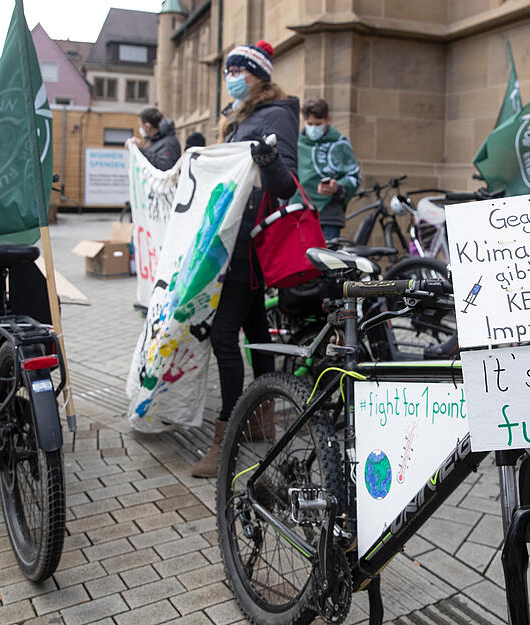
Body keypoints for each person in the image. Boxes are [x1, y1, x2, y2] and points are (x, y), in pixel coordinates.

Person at [191, 39, 299, 478]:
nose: (231, 76)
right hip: (232, 239)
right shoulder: (241, 116)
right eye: (228, 70)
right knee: (255, 329)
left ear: (260, 75)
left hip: (246, 246)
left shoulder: (275, 115)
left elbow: (286, 184)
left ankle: (226, 440)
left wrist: (268, 158)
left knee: (223, 337)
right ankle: (261, 421)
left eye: (240, 69)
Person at [295, 97, 361, 241]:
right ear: (304, 121)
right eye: (310, 124)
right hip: (298, 212)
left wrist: (337, 187)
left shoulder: (339, 144)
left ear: (327, 120)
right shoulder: (296, 143)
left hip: (328, 215)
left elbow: (354, 177)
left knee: (327, 255)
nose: (313, 128)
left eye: (318, 124)